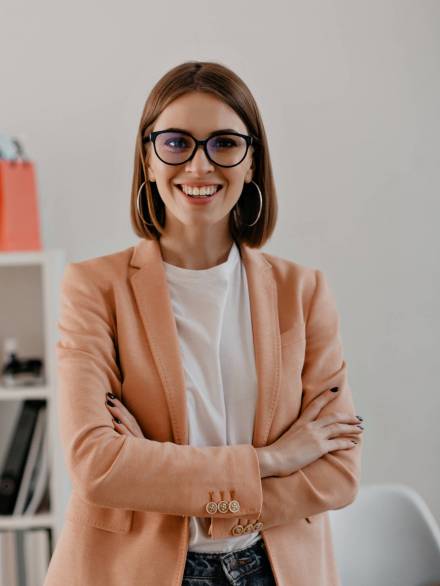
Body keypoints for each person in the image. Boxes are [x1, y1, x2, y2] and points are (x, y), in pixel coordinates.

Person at [44, 60, 364, 586]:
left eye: (223, 143)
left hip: (276, 568)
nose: (198, 166)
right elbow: (97, 463)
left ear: (252, 160)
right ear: (147, 159)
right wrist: (276, 457)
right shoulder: (93, 288)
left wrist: (168, 482)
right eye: (175, 143)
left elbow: (338, 472)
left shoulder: (303, 292)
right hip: (130, 572)